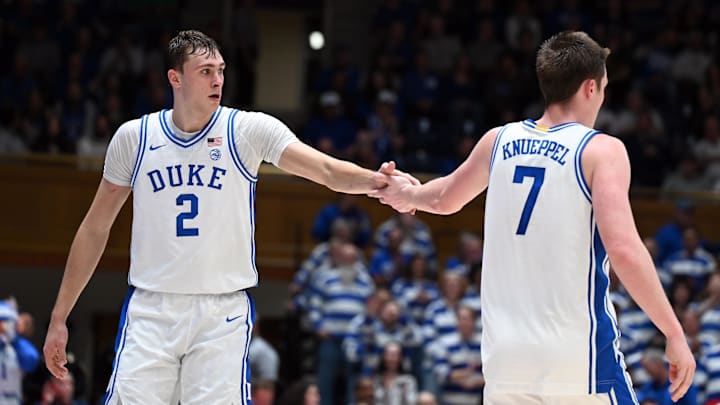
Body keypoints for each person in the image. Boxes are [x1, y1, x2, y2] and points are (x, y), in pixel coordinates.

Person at [42, 30, 405, 405]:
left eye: (221, 70)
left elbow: (326, 170)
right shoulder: (134, 138)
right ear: (175, 78)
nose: (217, 80)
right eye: (205, 71)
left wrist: (377, 182)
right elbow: (95, 228)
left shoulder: (247, 130)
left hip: (221, 314)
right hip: (152, 309)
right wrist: (59, 317)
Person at [371, 30, 696, 404]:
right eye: (604, 89)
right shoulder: (601, 151)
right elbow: (622, 249)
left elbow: (444, 198)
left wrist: (406, 193)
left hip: (505, 362)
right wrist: (673, 332)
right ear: (590, 88)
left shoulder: (498, 140)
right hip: (576, 358)